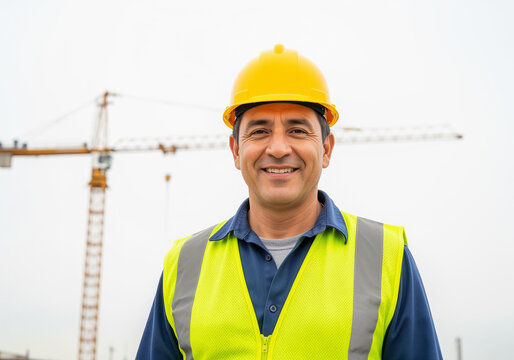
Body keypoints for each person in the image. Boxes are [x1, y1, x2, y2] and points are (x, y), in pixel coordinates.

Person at [136, 44, 442, 359]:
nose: (279, 147)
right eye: (259, 131)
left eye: (297, 130)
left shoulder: (385, 256)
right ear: (236, 151)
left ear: (326, 149)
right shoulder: (185, 263)